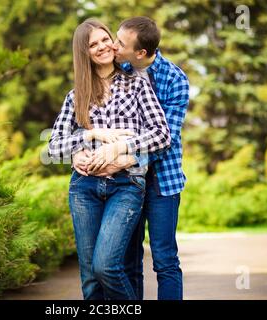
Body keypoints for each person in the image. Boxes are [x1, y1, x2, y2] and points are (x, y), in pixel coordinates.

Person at [48, 18, 170, 300]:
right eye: (93, 44)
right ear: (84, 52)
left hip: (126, 185)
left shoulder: (136, 84)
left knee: (106, 267)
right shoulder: (75, 96)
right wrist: (93, 136)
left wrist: (122, 147)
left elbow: (161, 134)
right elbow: (53, 147)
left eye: (105, 39)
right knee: (90, 278)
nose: (103, 46)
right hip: (84, 188)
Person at [73, 16, 190, 300]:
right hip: (126, 184)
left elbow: (166, 138)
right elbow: (89, 119)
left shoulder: (175, 80)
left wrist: (121, 154)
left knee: (164, 259)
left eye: (119, 43)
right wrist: (81, 148)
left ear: (140, 53)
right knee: (128, 262)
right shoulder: (121, 69)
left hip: (162, 180)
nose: (112, 45)